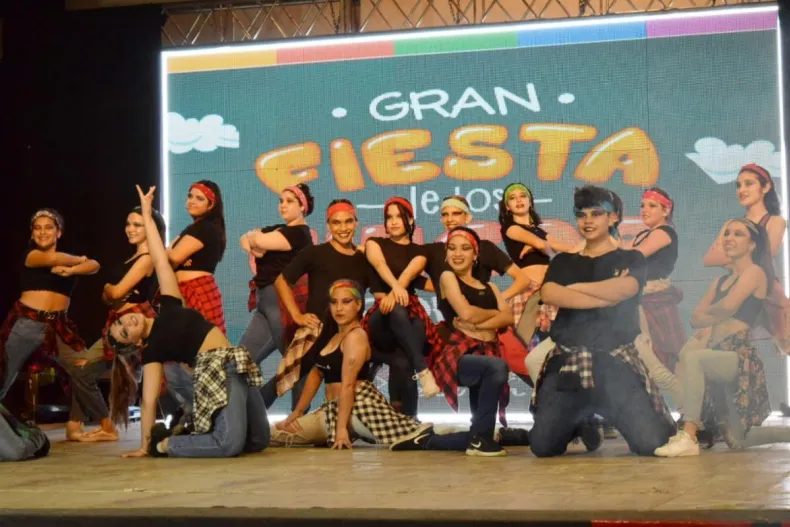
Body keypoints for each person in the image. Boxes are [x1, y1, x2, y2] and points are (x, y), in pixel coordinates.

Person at [108, 186, 269, 458]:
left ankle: (193, 431)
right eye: (124, 332)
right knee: (228, 445)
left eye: (120, 321)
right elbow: (148, 402)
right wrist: (145, 447)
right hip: (219, 373)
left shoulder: (169, 305)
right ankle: (165, 445)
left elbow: (160, 260)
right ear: (134, 343)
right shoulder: (153, 350)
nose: (127, 322)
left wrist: (146, 213)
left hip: (236, 362)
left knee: (259, 441)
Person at [528, 186, 674, 458]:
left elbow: (625, 290)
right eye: (581, 214)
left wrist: (573, 289)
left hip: (614, 362)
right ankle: (584, 421)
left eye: (596, 213)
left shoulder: (631, 258)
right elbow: (549, 293)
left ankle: (609, 411)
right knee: (543, 447)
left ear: (613, 217)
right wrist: (604, 297)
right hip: (569, 363)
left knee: (650, 443)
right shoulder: (563, 261)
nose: (588, 221)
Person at [654, 219, 785, 457]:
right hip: (716, 351)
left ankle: (689, 435)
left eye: (738, 234)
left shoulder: (755, 272)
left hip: (738, 354)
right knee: (739, 440)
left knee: (694, 358)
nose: (729, 238)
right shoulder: (720, 281)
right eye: (726, 233)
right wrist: (716, 313)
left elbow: (728, 306)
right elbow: (696, 318)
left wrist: (712, 314)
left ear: (752, 245)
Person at [390, 227, 513, 457]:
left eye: (465, 248)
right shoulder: (447, 278)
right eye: (452, 248)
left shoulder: (491, 287)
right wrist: (494, 315)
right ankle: (481, 441)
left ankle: (429, 440)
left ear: (475, 255)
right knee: (497, 367)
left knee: (480, 429)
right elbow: (466, 313)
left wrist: (481, 323)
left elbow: (508, 317)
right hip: (460, 355)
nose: (457, 253)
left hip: (487, 352)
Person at [270, 280, 432, 448]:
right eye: (334, 302)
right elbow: (317, 374)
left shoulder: (356, 336)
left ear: (358, 305)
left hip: (360, 407)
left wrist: (341, 430)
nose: (339, 308)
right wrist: (298, 411)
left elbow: (348, 384)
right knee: (276, 433)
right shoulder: (332, 336)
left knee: (412, 435)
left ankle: (443, 439)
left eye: (346, 302)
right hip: (332, 408)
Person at [266, 199, 383, 409]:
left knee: (349, 393)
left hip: (347, 337)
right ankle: (249, 420)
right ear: (328, 225)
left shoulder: (364, 259)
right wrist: (297, 316)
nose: (343, 228)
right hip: (316, 332)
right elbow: (281, 281)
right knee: (281, 384)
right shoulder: (315, 253)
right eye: (336, 222)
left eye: (348, 221)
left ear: (356, 223)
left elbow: (380, 294)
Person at [0, 209, 100, 441]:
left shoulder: (67, 261)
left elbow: (95, 265)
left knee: (83, 370)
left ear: (59, 232)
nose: (42, 232)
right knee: (3, 374)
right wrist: (78, 260)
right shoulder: (32, 256)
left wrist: (72, 269)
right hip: (27, 324)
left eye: (48, 227)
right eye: (37, 228)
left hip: (58, 328)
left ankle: (75, 425)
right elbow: (54, 259)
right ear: (32, 233)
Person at [68, 206, 164, 443]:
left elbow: (115, 292)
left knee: (95, 373)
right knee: (82, 369)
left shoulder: (147, 257)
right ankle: (81, 423)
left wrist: (111, 290)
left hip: (133, 324)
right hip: (116, 322)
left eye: (137, 225)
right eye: (128, 224)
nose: (130, 229)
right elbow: (107, 297)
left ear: (151, 228)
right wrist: (110, 292)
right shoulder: (131, 258)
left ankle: (107, 425)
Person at [240, 184, 314, 409]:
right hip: (265, 302)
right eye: (281, 200)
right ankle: (251, 412)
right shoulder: (279, 229)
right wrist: (253, 239)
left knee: (296, 362)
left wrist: (255, 238)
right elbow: (243, 240)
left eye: (290, 201)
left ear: (303, 206)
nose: (283, 205)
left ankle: (298, 418)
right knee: (241, 360)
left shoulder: (300, 233)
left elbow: (258, 242)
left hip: (283, 303)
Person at [362, 197, 442, 398]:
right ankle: (423, 372)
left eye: (399, 216)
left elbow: (408, 274)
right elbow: (380, 265)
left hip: (409, 310)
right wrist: (394, 292)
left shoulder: (419, 251)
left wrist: (395, 293)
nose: (394, 221)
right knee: (395, 308)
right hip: (380, 314)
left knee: (404, 361)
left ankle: (407, 414)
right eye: (389, 217)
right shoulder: (374, 243)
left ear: (411, 220)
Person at [163, 180, 228, 418]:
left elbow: (171, 258)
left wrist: (166, 252)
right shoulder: (192, 229)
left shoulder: (206, 229)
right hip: (182, 294)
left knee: (201, 358)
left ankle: (215, 416)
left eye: (200, 198)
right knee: (177, 362)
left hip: (198, 293)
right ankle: (195, 414)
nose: (192, 201)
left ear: (211, 205)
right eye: (190, 195)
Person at [498, 182, 574, 344]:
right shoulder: (510, 227)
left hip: (549, 287)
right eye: (513, 198)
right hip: (529, 290)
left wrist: (586, 248)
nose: (519, 200)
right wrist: (541, 246)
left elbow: (562, 247)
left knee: (556, 340)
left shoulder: (538, 230)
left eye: (522, 196)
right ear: (507, 206)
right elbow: (541, 245)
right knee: (527, 342)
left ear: (530, 202)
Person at [629, 188, 685, 403]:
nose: (645, 210)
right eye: (642, 205)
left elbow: (633, 257)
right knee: (646, 356)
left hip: (654, 299)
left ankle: (689, 408)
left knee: (663, 356)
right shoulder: (644, 234)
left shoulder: (664, 232)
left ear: (666, 210)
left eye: (652, 206)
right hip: (639, 298)